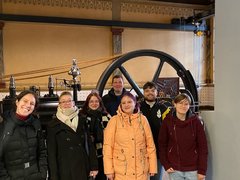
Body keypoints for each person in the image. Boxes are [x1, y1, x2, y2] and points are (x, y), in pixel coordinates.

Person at [103, 92, 157, 180]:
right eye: (123, 103)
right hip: (121, 171)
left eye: (129, 102)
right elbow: (108, 147)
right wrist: (108, 170)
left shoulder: (143, 120)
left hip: (141, 170)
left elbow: (150, 145)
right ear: (120, 105)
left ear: (135, 103)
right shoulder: (114, 121)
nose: (126, 105)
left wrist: (153, 166)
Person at [47, 91, 98, 180]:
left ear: (73, 103)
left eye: (69, 101)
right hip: (64, 169)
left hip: (83, 166)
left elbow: (89, 145)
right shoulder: (52, 125)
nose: (67, 103)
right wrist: (54, 176)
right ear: (59, 105)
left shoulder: (82, 120)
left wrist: (94, 166)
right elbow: (52, 153)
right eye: (63, 101)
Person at [158, 93, 208, 180]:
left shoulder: (195, 122)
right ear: (175, 104)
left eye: (186, 104)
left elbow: (203, 147)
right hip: (175, 169)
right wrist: (166, 164)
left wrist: (202, 170)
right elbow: (162, 144)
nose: (183, 106)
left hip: (193, 169)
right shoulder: (168, 121)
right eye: (180, 103)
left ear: (189, 105)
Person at [0, 90, 47, 180]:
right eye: (25, 101)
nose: (28, 105)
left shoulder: (36, 124)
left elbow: (42, 151)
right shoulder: (3, 124)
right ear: (17, 102)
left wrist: (42, 174)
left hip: (35, 175)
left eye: (32, 103)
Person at [140, 81, 170, 180]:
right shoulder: (137, 108)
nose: (150, 93)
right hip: (140, 150)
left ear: (157, 92)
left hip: (158, 150)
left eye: (153, 90)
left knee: (156, 178)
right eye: (147, 91)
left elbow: (169, 129)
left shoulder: (163, 109)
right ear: (143, 92)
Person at [80, 91, 111, 180]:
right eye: (91, 101)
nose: (94, 104)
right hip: (87, 154)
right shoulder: (82, 117)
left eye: (96, 101)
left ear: (100, 103)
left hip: (104, 154)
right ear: (87, 103)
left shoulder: (107, 117)